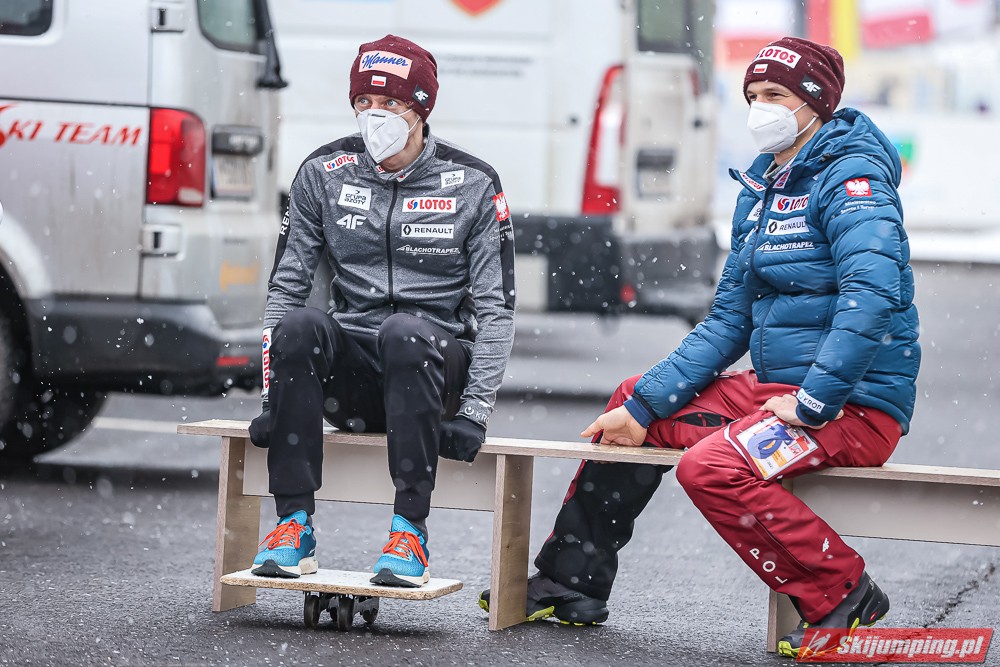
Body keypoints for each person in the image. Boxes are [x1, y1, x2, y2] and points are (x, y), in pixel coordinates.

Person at [480, 37, 919, 658]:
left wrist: (815, 402)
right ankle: (572, 580)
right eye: (754, 94)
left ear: (816, 103)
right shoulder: (765, 189)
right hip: (781, 395)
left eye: (777, 95)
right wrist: (645, 406)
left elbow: (870, 297)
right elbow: (728, 320)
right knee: (631, 405)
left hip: (851, 407)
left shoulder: (854, 180)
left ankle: (842, 593)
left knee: (711, 468)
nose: (762, 108)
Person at [249, 34, 515, 588]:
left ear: (421, 108)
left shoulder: (473, 183)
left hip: (432, 371)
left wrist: (474, 411)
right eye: (364, 102)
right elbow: (286, 288)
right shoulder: (324, 172)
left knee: (403, 331)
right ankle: (292, 526)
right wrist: (272, 399)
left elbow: (497, 310)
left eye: (391, 103)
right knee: (300, 326)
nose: (376, 116)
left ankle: (409, 532)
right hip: (352, 384)